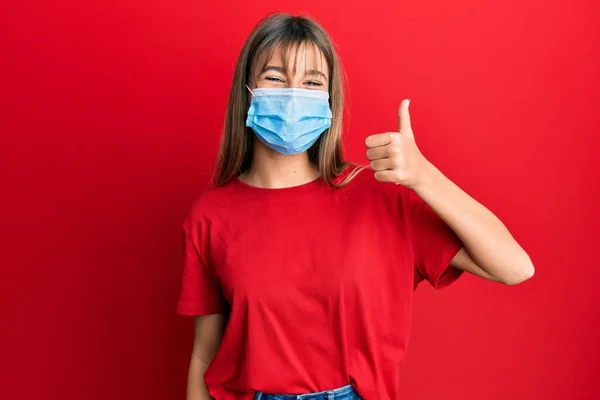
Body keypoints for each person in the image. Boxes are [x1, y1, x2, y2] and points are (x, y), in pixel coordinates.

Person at [176, 12, 535, 400]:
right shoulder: (210, 216)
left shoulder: (380, 196)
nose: (294, 93)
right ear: (248, 89)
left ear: (330, 100)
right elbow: (204, 355)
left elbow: (514, 267)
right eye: (276, 78)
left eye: (312, 82)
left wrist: (423, 175)